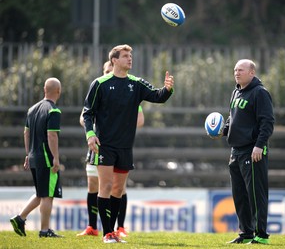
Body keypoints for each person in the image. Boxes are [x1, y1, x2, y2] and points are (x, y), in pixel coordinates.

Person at [82, 44, 174, 243]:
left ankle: (114, 231)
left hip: (125, 147)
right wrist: (90, 134)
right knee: (105, 187)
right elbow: (87, 112)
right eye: (125, 56)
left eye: (130, 55)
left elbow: (158, 97)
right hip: (104, 145)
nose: (129, 58)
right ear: (114, 60)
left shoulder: (136, 83)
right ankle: (107, 233)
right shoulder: (100, 83)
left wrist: (167, 89)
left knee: (117, 190)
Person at [77, 60, 145, 237]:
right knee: (96, 186)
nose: (109, 74)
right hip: (98, 145)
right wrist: (94, 129)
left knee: (118, 188)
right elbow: (84, 117)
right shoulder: (99, 87)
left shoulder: (129, 91)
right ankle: (94, 226)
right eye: (106, 71)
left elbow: (140, 119)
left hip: (119, 145)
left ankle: (118, 227)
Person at [223, 59, 274, 245]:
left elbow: (267, 122)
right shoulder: (236, 91)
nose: (237, 73)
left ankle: (262, 234)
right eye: (235, 69)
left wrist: (259, 145)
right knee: (240, 195)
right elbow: (232, 117)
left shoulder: (260, 93)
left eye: (241, 70)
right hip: (236, 150)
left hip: (253, 150)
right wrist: (223, 130)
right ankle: (246, 233)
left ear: (252, 72)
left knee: (255, 193)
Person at [10, 77, 63, 238]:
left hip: (33, 156)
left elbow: (26, 133)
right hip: (46, 158)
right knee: (48, 195)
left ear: (44, 90)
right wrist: (55, 158)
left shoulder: (32, 110)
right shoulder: (53, 110)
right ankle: (44, 231)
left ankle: (20, 218)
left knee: (41, 193)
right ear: (58, 91)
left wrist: (28, 154)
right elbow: (52, 135)